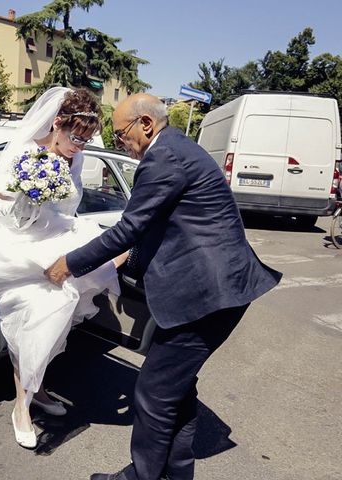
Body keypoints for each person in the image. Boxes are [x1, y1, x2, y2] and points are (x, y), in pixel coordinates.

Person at [44, 93, 282, 480]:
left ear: (146, 125)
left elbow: (130, 228)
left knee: (153, 393)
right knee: (177, 390)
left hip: (206, 296)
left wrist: (69, 264)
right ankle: (176, 472)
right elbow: (162, 227)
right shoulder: (176, 149)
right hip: (216, 289)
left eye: (121, 134)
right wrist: (125, 259)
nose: (120, 142)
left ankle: (141, 476)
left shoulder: (163, 157)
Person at [0, 87, 128, 449]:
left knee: (62, 313)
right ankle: (21, 408)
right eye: (76, 137)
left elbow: (67, 211)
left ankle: (36, 388)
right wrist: (19, 208)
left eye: (86, 141)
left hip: (52, 233)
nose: (80, 146)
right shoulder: (25, 151)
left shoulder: (75, 158)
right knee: (41, 313)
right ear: (57, 123)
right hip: (9, 240)